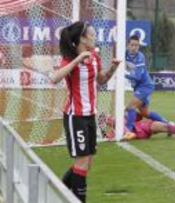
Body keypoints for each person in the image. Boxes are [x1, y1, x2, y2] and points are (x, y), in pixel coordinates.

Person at [52, 21, 120, 202]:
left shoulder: (95, 58)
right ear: (82, 38)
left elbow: (102, 80)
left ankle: (57, 189)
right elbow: (54, 78)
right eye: (91, 34)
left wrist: (113, 68)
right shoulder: (70, 57)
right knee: (82, 161)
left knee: (87, 162)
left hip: (91, 115)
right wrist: (77, 60)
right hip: (76, 116)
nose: (95, 37)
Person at [125, 35, 168, 132]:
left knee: (130, 107)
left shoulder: (140, 57)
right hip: (138, 87)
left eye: (136, 45)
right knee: (145, 113)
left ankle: (128, 131)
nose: (134, 47)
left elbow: (138, 76)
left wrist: (123, 74)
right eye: (132, 45)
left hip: (145, 86)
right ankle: (167, 125)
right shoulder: (125, 54)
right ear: (128, 45)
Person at [98, 112, 175, 141]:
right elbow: (106, 137)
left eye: (108, 116)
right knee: (163, 126)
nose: (109, 118)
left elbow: (137, 114)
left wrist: (128, 112)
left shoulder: (123, 118)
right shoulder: (113, 132)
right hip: (138, 134)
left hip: (145, 127)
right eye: (106, 119)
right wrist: (103, 131)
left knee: (163, 126)